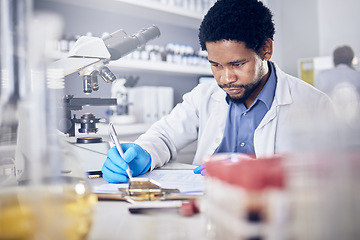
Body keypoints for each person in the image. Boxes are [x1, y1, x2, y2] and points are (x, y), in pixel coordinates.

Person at [102, 0, 334, 183]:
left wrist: (263, 174)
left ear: (266, 49)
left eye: (237, 64)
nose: (226, 78)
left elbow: (332, 177)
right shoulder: (203, 96)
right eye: (216, 65)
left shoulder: (315, 104)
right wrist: (143, 152)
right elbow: (164, 136)